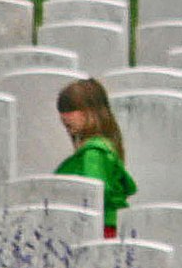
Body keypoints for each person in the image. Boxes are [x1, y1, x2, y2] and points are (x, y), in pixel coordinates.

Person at [54, 77, 137, 239]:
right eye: (62, 110)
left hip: (98, 229)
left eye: (71, 109)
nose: (64, 116)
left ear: (90, 111)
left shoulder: (94, 153)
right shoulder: (102, 146)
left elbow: (92, 193)